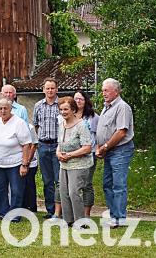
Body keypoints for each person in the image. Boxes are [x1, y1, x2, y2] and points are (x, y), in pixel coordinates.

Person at [95, 78, 135, 228]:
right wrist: (102, 147)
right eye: (102, 90)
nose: (103, 93)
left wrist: (105, 146)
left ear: (116, 91)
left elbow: (121, 132)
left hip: (120, 150)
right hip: (109, 151)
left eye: (106, 90)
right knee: (107, 184)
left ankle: (119, 218)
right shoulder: (107, 107)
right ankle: (114, 215)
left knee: (118, 185)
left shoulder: (122, 107)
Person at [0, 99, 31, 222]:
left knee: (16, 190)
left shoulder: (19, 123)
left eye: (6, 108)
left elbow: (26, 144)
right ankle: (2, 213)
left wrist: (24, 164)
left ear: (11, 109)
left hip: (15, 163)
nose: (3, 111)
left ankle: (15, 215)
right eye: (1, 108)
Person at [56, 96, 93, 226]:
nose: (63, 112)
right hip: (64, 163)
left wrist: (70, 155)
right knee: (64, 192)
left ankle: (80, 222)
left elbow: (87, 147)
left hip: (79, 164)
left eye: (66, 109)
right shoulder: (62, 124)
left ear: (73, 110)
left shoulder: (81, 125)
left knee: (74, 192)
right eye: (61, 109)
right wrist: (58, 153)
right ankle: (68, 220)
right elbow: (59, 143)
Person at [33, 77, 60, 219]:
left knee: (59, 180)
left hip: (58, 145)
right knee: (47, 180)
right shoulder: (38, 105)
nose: (50, 90)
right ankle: (50, 211)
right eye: (47, 88)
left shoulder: (61, 105)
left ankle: (59, 210)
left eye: (52, 88)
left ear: (56, 89)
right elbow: (36, 125)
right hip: (43, 145)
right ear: (43, 90)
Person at [75, 91, 99, 217]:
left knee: (86, 183)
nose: (78, 101)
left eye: (81, 99)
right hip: (73, 154)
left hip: (89, 153)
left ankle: (86, 213)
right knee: (75, 184)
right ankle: (75, 212)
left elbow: (98, 135)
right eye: (76, 99)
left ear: (86, 101)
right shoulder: (71, 114)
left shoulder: (93, 117)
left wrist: (99, 148)